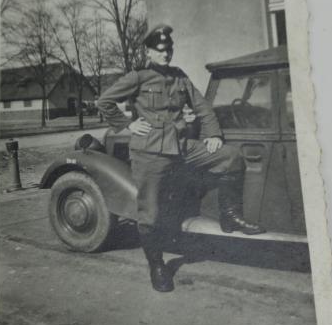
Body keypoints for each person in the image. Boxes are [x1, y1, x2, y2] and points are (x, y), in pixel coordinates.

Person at [97, 24, 264, 293]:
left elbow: (202, 107)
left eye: (169, 49)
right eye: (160, 50)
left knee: (230, 157)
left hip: (182, 147)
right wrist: (126, 126)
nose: (166, 54)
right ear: (149, 51)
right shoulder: (137, 77)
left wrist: (213, 135)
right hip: (151, 152)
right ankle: (157, 265)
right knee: (149, 213)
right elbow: (104, 101)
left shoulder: (180, 77)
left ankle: (230, 217)